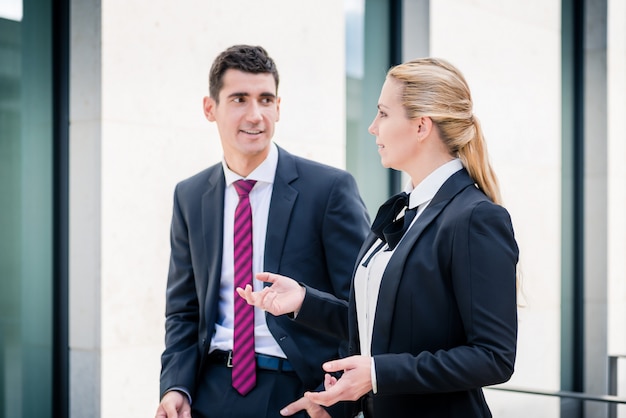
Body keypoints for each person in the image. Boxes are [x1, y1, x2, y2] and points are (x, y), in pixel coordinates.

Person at [238, 57, 519, 418]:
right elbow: (381, 326)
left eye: (383, 114)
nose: (372, 128)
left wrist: (378, 374)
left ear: (421, 126)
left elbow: (493, 357)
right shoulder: (405, 209)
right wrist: (303, 301)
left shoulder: (476, 218)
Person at [155, 44, 370, 418]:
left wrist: (334, 399)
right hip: (210, 392)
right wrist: (176, 385)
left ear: (278, 107)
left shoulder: (328, 189)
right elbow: (183, 310)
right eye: (239, 99)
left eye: (265, 99)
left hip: (298, 393)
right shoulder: (190, 195)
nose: (255, 115)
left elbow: (363, 308)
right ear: (211, 108)